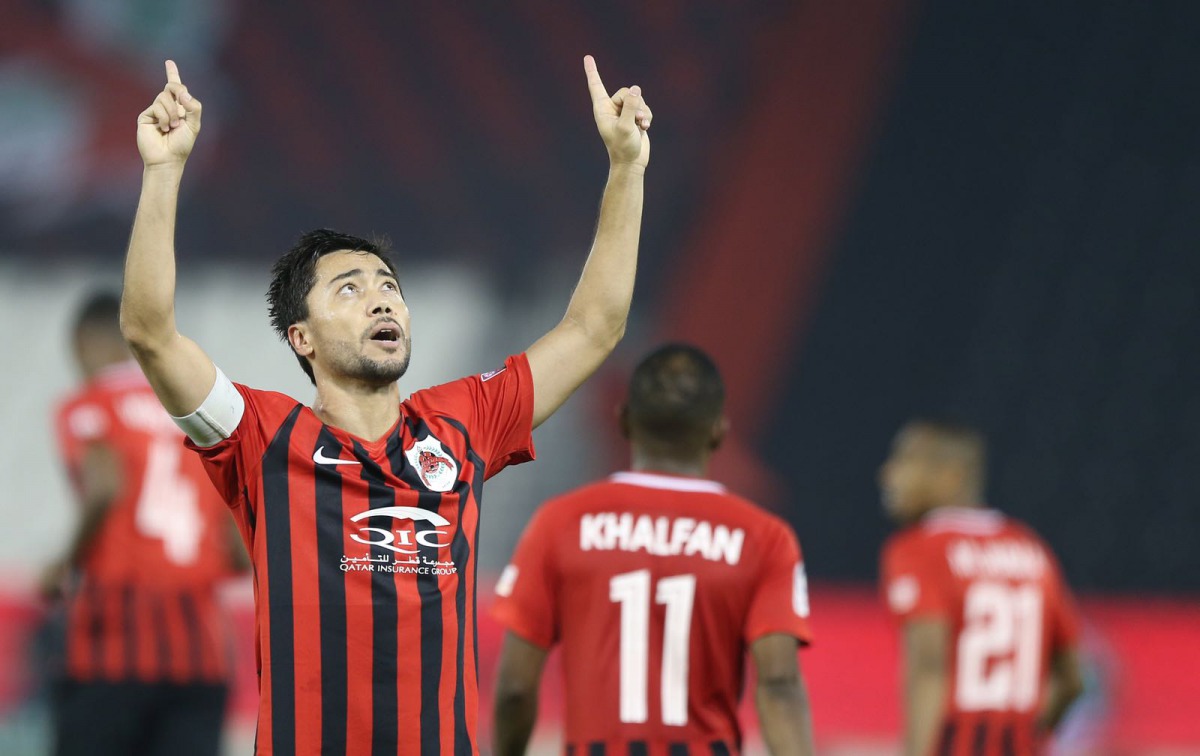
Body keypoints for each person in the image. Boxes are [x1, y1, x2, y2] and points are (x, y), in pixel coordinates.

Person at [120, 55, 651, 755]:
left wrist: (627, 168)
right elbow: (150, 333)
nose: (380, 299)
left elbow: (594, 328)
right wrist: (162, 171)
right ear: (302, 337)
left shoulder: (463, 422)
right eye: (349, 288)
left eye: (388, 286)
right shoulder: (263, 437)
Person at [491, 344, 817, 756]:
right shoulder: (763, 537)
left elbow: (515, 688)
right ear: (719, 429)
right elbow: (780, 684)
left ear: (623, 421)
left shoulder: (560, 523)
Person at [44, 291, 244, 756]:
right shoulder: (204, 416)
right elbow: (237, 542)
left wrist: (64, 565)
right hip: (201, 650)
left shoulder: (90, 404)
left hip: (113, 640)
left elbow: (104, 487)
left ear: (84, 342)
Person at [878, 419, 1085, 756]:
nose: (889, 474)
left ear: (950, 476)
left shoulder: (919, 549)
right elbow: (1073, 679)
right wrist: (1033, 736)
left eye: (907, 460)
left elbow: (930, 669)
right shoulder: (1029, 547)